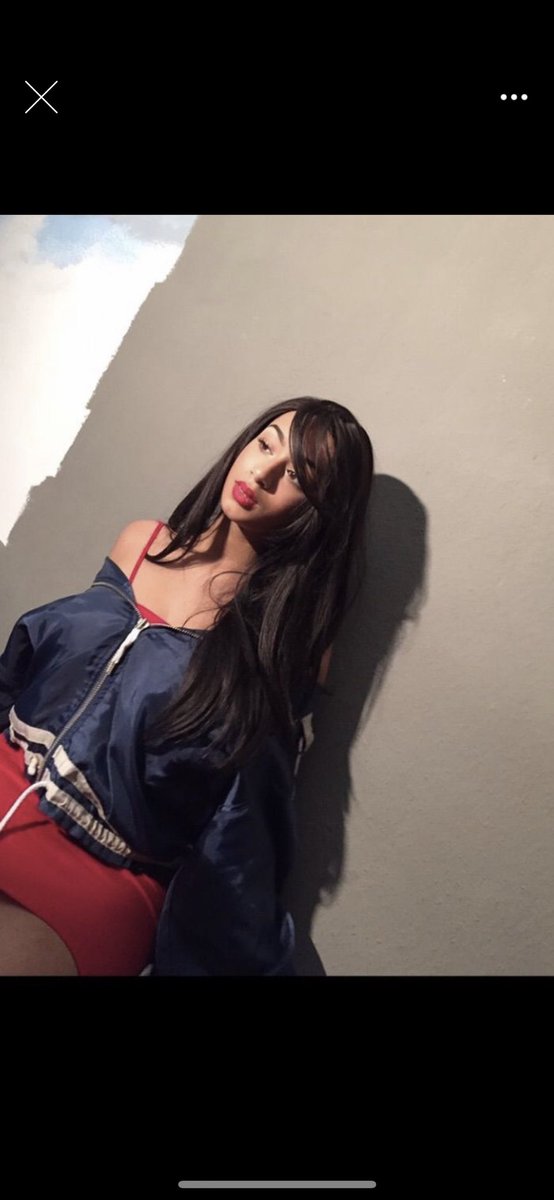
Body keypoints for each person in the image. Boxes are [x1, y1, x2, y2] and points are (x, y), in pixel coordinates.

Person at [0, 396, 373, 975]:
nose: (263, 472)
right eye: (265, 445)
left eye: (298, 475)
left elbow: (244, 819)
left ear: (320, 510)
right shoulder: (142, 542)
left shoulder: (288, 646)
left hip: (103, 867)